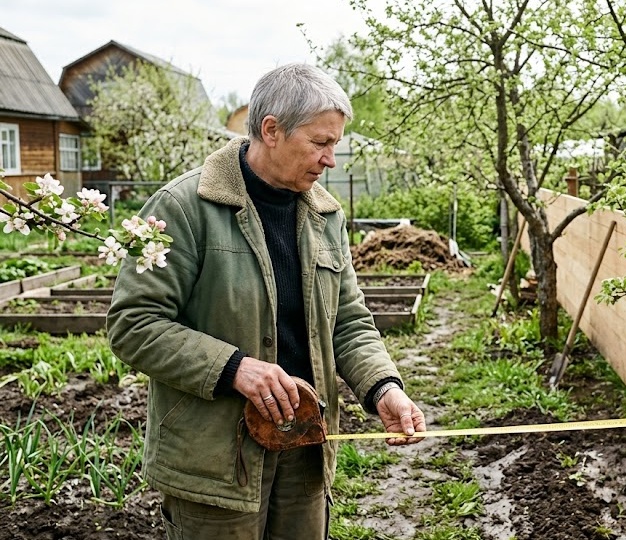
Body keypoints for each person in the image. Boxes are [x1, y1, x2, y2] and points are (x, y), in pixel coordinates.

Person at [106, 63, 426, 539]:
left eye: (334, 144)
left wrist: (384, 388)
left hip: (304, 448)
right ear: (271, 130)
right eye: (320, 143)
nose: (330, 160)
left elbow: (350, 322)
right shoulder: (184, 208)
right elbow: (134, 324)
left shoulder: (325, 215)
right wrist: (235, 368)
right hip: (215, 458)